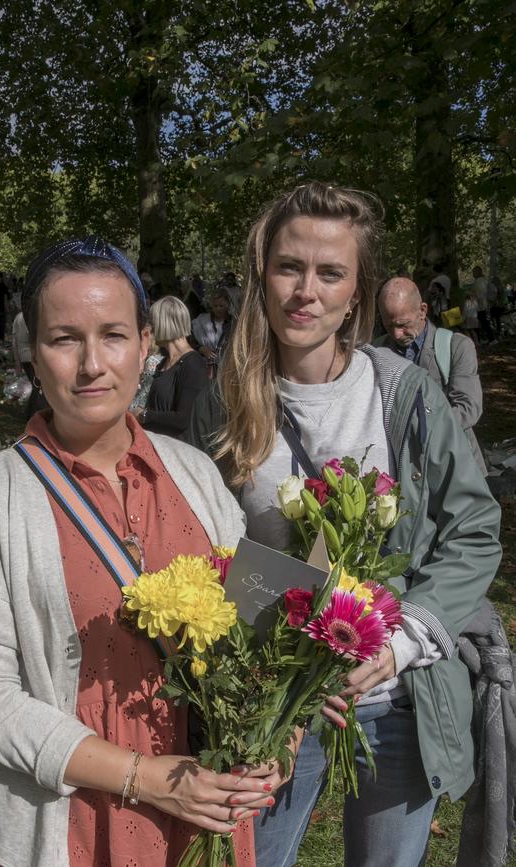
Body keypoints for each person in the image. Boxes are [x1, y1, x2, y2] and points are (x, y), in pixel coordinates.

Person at [0, 237, 293, 867]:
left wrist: (277, 739)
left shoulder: (197, 476)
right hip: (61, 819)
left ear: (146, 344)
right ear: (33, 355)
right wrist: (146, 778)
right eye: (65, 338)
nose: (92, 363)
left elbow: (261, 633)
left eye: (114, 335)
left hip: (198, 812)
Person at [185, 182, 502, 867]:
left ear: (356, 292)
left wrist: (402, 643)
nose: (306, 290)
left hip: (395, 701)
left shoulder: (406, 395)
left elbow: (473, 524)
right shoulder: (221, 402)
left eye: (330, 272)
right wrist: (269, 664)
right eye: (289, 267)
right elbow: (196, 552)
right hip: (275, 708)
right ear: (261, 276)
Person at [376, 277, 486, 473]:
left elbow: (468, 408)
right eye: (388, 325)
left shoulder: (456, 347)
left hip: (454, 468)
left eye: (403, 324)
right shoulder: (375, 351)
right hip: (401, 472)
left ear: (423, 311)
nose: (396, 334)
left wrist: (416, 431)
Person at [135, 295, 208, 438]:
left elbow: (183, 418)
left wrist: (144, 415)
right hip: (158, 444)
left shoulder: (193, 364)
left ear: (163, 323)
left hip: (179, 450)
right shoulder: (164, 363)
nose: (151, 329)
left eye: (153, 322)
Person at [191, 287, 233, 378]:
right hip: (205, 368)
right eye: (215, 306)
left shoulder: (234, 323)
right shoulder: (201, 321)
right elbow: (190, 340)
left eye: (221, 306)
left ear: (228, 305)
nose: (218, 309)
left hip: (228, 368)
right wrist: (201, 348)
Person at [472, 266, 494, 343]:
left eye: (474, 272)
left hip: (480, 306)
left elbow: (479, 295)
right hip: (484, 305)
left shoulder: (479, 281)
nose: (473, 274)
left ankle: (491, 339)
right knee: (484, 323)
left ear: (478, 272)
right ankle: (489, 338)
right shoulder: (485, 280)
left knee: (484, 323)